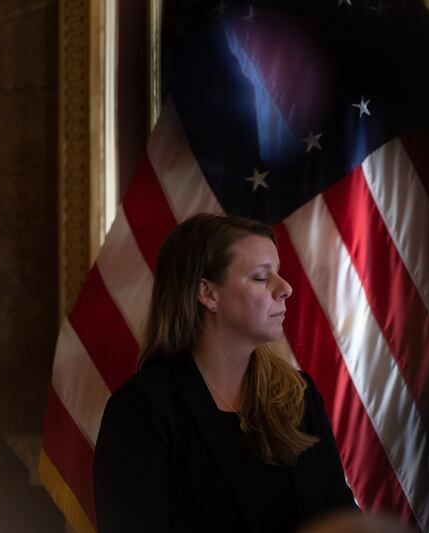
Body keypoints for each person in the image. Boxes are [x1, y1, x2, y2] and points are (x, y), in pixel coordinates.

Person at [93, 213, 356, 532]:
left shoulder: (299, 395)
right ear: (208, 294)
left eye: (278, 273)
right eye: (262, 277)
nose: (285, 288)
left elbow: (343, 520)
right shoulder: (142, 408)